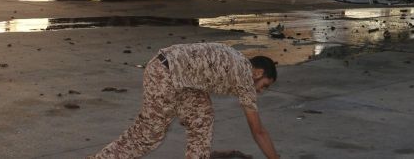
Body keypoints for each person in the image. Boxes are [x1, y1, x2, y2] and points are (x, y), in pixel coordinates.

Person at [91, 43, 279, 159]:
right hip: (164, 73)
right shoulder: (245, 78)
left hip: (183, 79)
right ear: (258, 73)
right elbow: (258, 131)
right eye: (264, 85)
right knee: (147, 136)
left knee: (202, 120)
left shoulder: (237, 59)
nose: (260, 91)